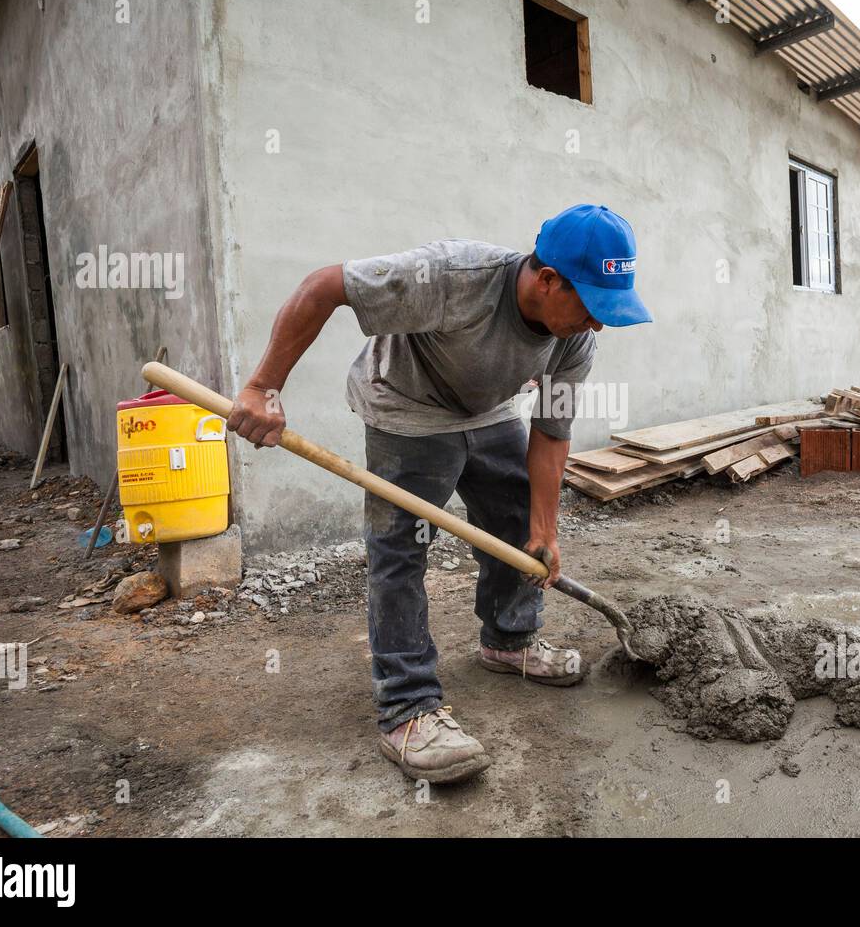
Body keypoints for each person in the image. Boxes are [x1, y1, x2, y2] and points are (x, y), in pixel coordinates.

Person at [227, 205, 650, 782]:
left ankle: (509, 639)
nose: (597, 325)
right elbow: (324, 286)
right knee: (400, 549)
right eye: (593, 306)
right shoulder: (451, 277)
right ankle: (406, 709)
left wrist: (544, 529)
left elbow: (551, 432)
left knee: (515, 517)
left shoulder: (572, 337)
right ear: (547, 279)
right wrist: (261, 387)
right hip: (408, 408)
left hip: (487, 406)